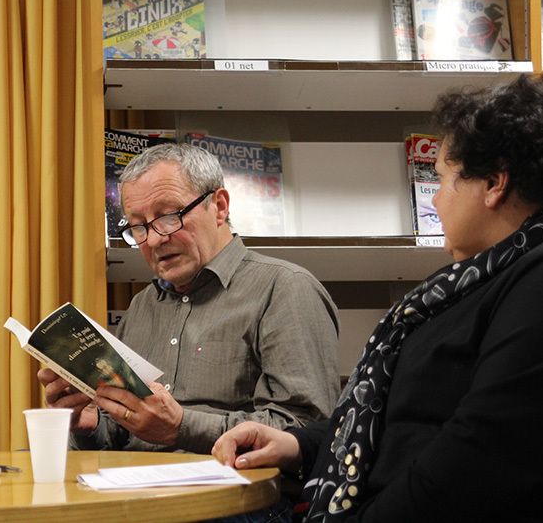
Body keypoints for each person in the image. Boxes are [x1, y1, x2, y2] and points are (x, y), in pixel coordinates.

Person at [212, 75, 543, 521]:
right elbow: (405, 419)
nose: (435, 201)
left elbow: (472, 473)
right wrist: (298, 445)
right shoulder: (504, 272)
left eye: (442, 180)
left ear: (494, 184)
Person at [38, 143, 341, 455]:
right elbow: (119, 436)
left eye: (169, 216)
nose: (154, 239)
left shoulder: (285, 289)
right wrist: (89, 425)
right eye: (138, 226)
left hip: (230, 493)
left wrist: (180, 427)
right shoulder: (142, 306)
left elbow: (304, 429)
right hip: (133, 488)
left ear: (220, 206)